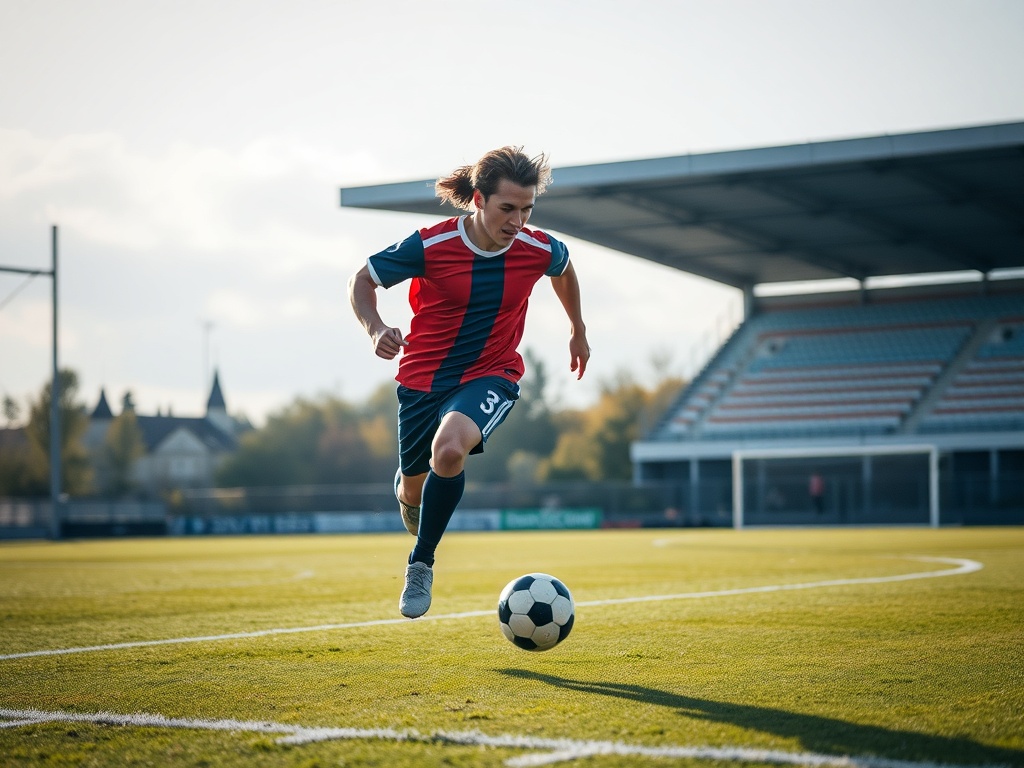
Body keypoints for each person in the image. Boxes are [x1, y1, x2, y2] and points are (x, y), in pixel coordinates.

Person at [347, 146, 591, 619]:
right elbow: (363, 279)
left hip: (492, 372)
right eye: (507, 208)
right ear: (479, 199)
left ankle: (421, 563)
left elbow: (563, 269)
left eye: (527, 209)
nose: (518, 221)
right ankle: (408, 490)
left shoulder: (538, 248)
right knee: (413, 490)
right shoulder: (431, 246)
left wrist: (577, 329)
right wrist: (376, 328)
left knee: (451, 448)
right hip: (421, 379)